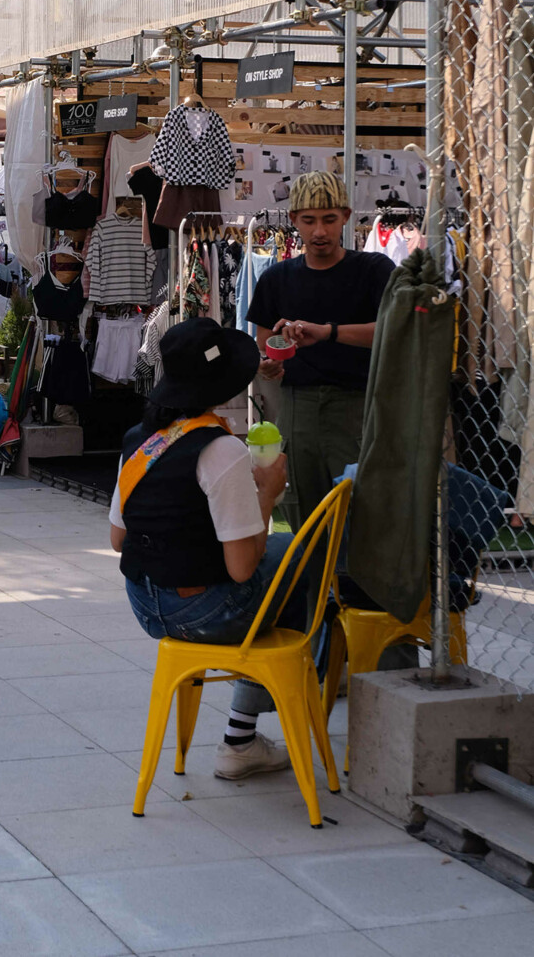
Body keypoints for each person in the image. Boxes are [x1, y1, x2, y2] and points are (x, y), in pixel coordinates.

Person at [110, 317, 302, 781]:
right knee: (297, 555)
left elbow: (118, 540)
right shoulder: (221, 450)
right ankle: (246, 732)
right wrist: (268, 493)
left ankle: (260, 716)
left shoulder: (141, 439)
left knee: (281, 556)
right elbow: (240, 569)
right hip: (203, 610)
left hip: (145, 603)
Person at [247, 172, 394, 530]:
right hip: (298, 406)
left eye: (329, 220)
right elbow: (264, 341)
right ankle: (316, 585)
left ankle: (356, 585)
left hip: (358, 406)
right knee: (304, 510)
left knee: (366, 510)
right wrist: (269, 365)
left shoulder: (373, 270)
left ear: (345, 216)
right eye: (309, 220)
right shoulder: (276, 278)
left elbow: (392, 332)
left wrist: (327, 333)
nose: (319, 232)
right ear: (293, 219)